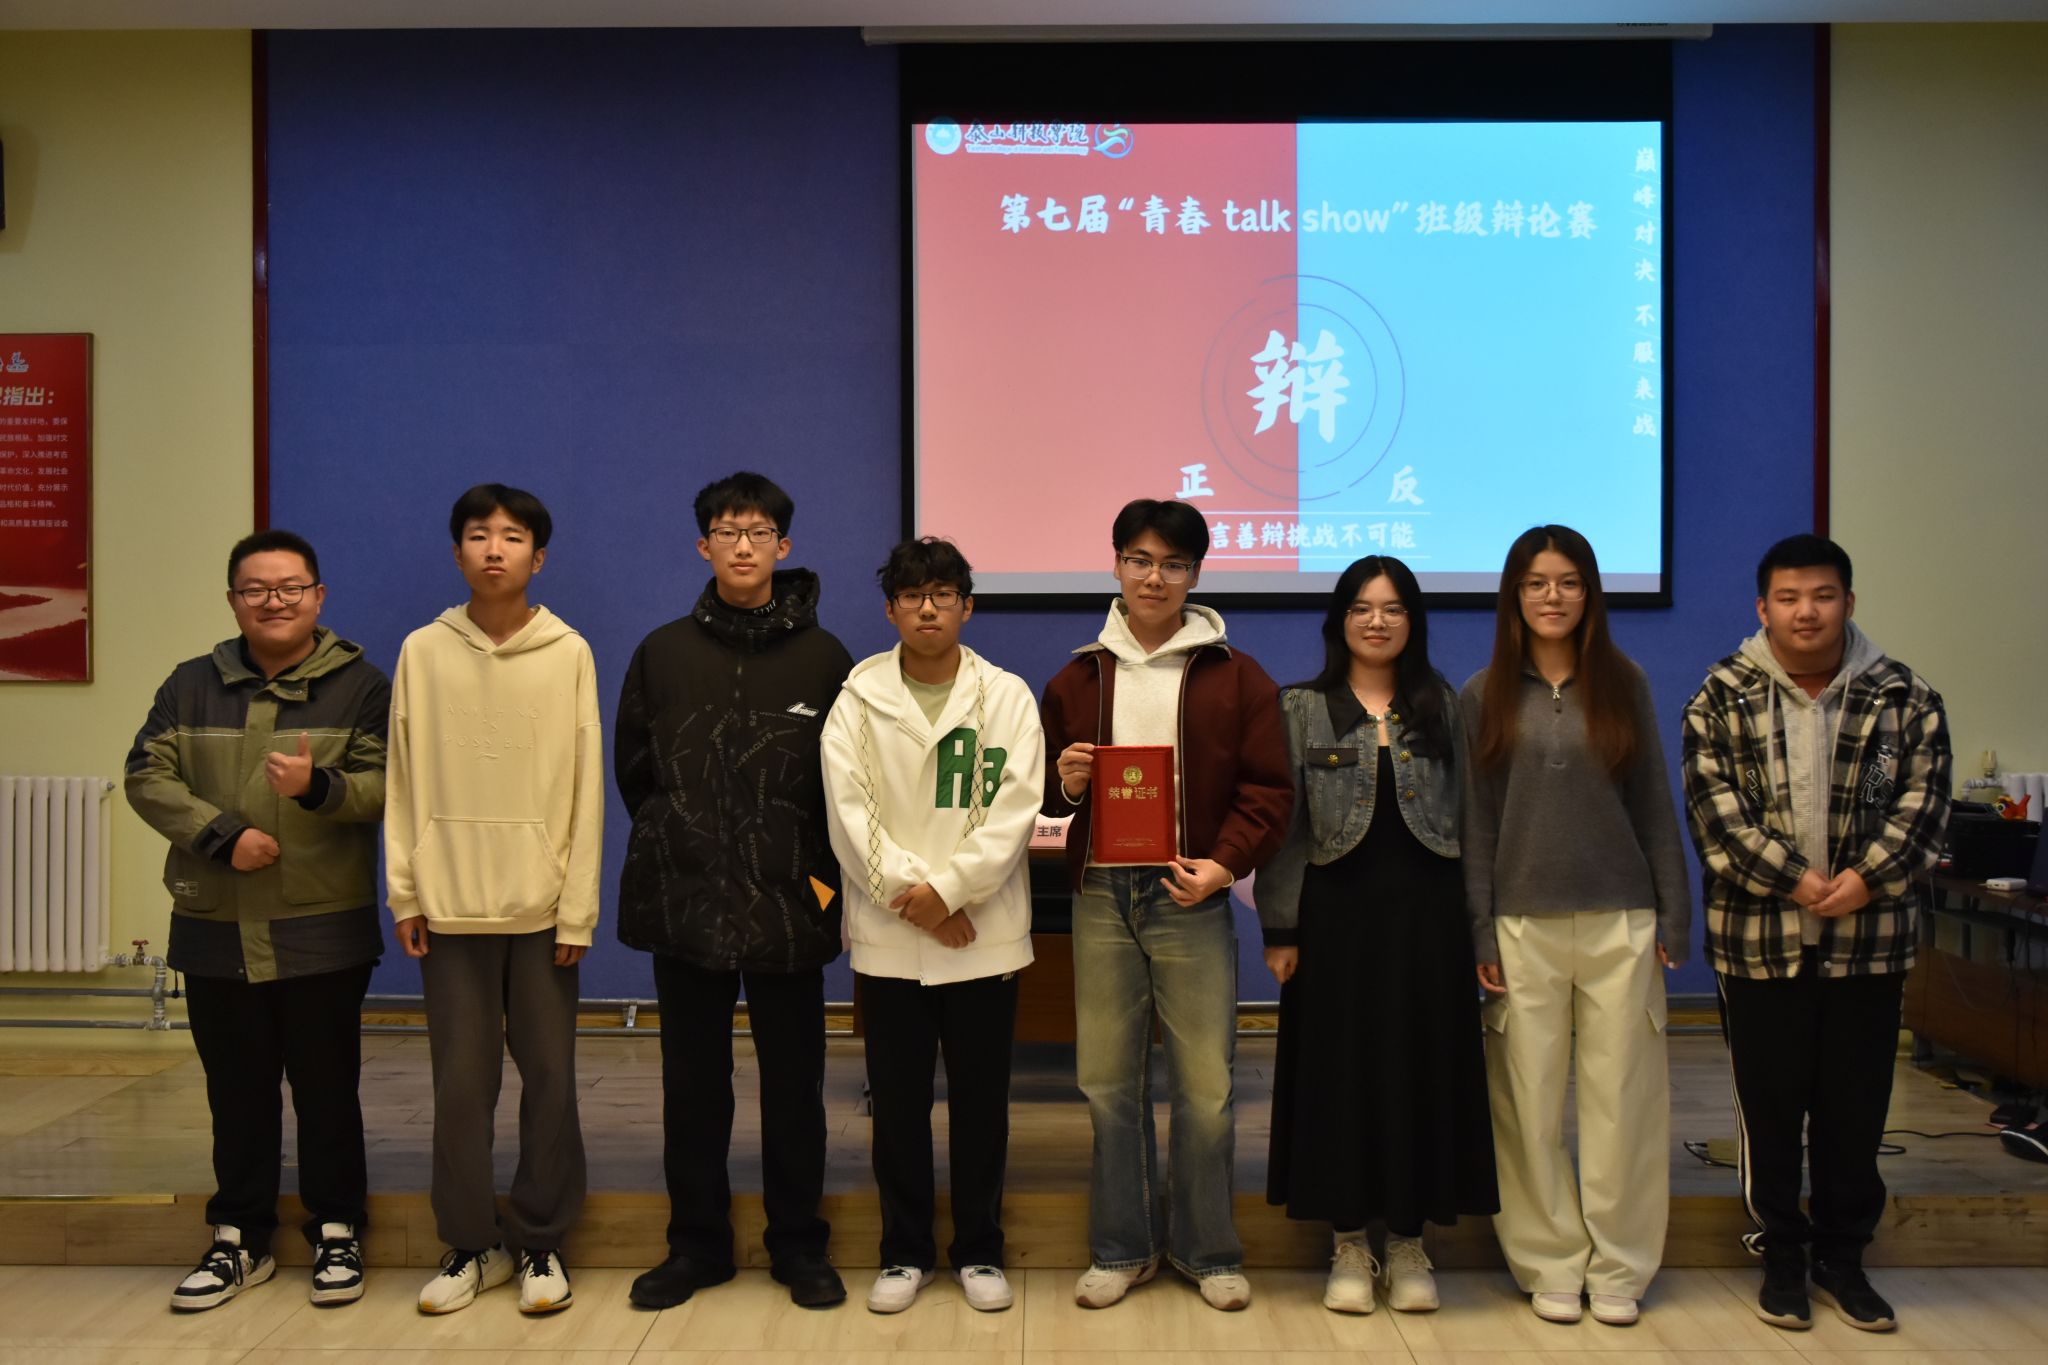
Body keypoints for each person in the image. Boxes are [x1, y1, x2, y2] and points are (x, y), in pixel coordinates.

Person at [1682, 534, 1950, 1333]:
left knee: (1856, 1108)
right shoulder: (1720, 695)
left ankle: (1843, 1257)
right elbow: (1715, 814)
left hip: (1870, 941)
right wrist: (1797, 880)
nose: (1807, 611)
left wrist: (1864, 878)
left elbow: (1924, 803)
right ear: (1763, 608)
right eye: (1790, 597)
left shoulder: (1904, 695)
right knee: (1769, 1110)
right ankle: (1781, 1256)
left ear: (1848, 602)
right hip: (1758, 941)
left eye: (1823, 595)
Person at [1039, 497, 1292, 1312]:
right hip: (1103, 895)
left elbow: (1269, 790)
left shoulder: (1237, 675)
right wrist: (1064, 784)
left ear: (1195, 574)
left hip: (1192, 890)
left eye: (1174, 564)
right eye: (1141, 560)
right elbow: (1042, 801)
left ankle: (1207, 1250)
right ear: (1116, 564)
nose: (1155, 578)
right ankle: (1122, 1247)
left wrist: (1222, 865)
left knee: (1205, 1086)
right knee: (1107, 1081)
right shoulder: (1076, 678)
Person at [126, 529, 388, 1313]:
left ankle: (337, 1229)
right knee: (236, 1092)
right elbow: (145, 774)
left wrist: (316, 787)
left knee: (327, 1090)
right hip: (215, 927)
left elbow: (385, 786)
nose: (274, 601)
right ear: (233, 599)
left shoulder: (361, 685)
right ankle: (239, 1236)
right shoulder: (189, 683)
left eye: (290, 587)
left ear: (319, 595)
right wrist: (221, 836)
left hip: (321, 930)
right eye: (256, 589)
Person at [615, 472, 855, 1310]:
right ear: (703, 545)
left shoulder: (826, 658)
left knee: (796, 1086)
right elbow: (637, 773)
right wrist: (686, 842)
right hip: (686, 897)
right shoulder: (662, 652)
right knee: (693, 1085)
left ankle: (798, 1244)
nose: (742, 545)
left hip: (791, 899)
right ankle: (697, 1245)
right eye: (727, 531)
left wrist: (819, 881)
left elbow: (843, 787)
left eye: (758, 532)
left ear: (783, 546)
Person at [1460, 524, 1690, 1327]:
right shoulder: (1482, 693)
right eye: (1536, 583)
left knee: (1623, 1100)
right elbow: (1476, 824)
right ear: (1514, 596)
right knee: (1526, 1103)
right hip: (1521, 924)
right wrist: (1481, 929)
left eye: (1567, 581)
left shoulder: (1625, 683)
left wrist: (1674, 910)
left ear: (1589, 592)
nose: (1551, 596)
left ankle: (1620, 1265)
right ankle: (1550, 1259)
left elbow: (1654, 803)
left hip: (1622, 921)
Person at [1256, 555, 1498, 1316]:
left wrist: (1479, 930)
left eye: (1393, 608)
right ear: (1340, 619)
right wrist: (1280, 926)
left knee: (1421, 1073)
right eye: (1362, 607)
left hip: (1430, 924)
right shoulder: (1302, 706)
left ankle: (1410, 1241)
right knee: (1341, 1080)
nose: (1377, 621)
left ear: (1413, 620)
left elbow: (1473, 821)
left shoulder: (1443, 704)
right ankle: (1349, 1243)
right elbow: (1286, 830)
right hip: (1335, 923)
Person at [385, 483, 602, 1316]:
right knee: (460, 1085)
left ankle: (541, 1240)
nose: (494, 549)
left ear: (537, 557)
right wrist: (407, 891)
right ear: (457, 552)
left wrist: (577, 907)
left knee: (550, 1078)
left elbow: (586, 790)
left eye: (512, 536)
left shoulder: (568, 651)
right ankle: (472, 1243)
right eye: (479, 535)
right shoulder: (422, 650)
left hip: (543, 909)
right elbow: (403, 779)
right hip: (449, 905)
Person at [820, 537, 1044, 1315]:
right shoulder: (857, 698)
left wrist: (949, 892)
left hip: (982, 933)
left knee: (982, 1105)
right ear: (890, 608)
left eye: (943, 594)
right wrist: (916, 897)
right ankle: (904, 1250)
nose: (927, 608)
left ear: (966, 606)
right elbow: (848, 814)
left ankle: (980, 1248)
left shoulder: (1006, 696)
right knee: (899, 1105)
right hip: (894, 936)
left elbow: (1016, 809)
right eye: (912, 595)